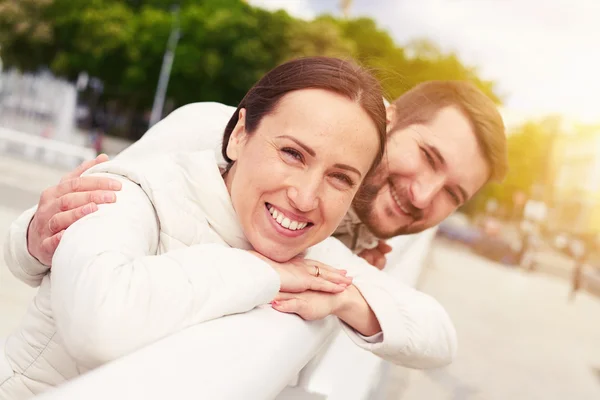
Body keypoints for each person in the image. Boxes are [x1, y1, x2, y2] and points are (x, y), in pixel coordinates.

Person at [1, 57, 456, 400]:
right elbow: (98, 321)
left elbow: (438, 335)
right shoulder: (138, 187)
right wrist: (265, 272)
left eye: (341, 178)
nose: (305, 196)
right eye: (293, 154)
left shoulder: (311, 251)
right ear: (239, 135)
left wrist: (349, 300)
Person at [5, 80, 508, 277]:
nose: (423, 194)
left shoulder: (357, 231)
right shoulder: (211, 130)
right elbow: (42, 250)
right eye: (427, 157)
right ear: (390, 122)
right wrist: (34, 235)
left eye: (452, 194)